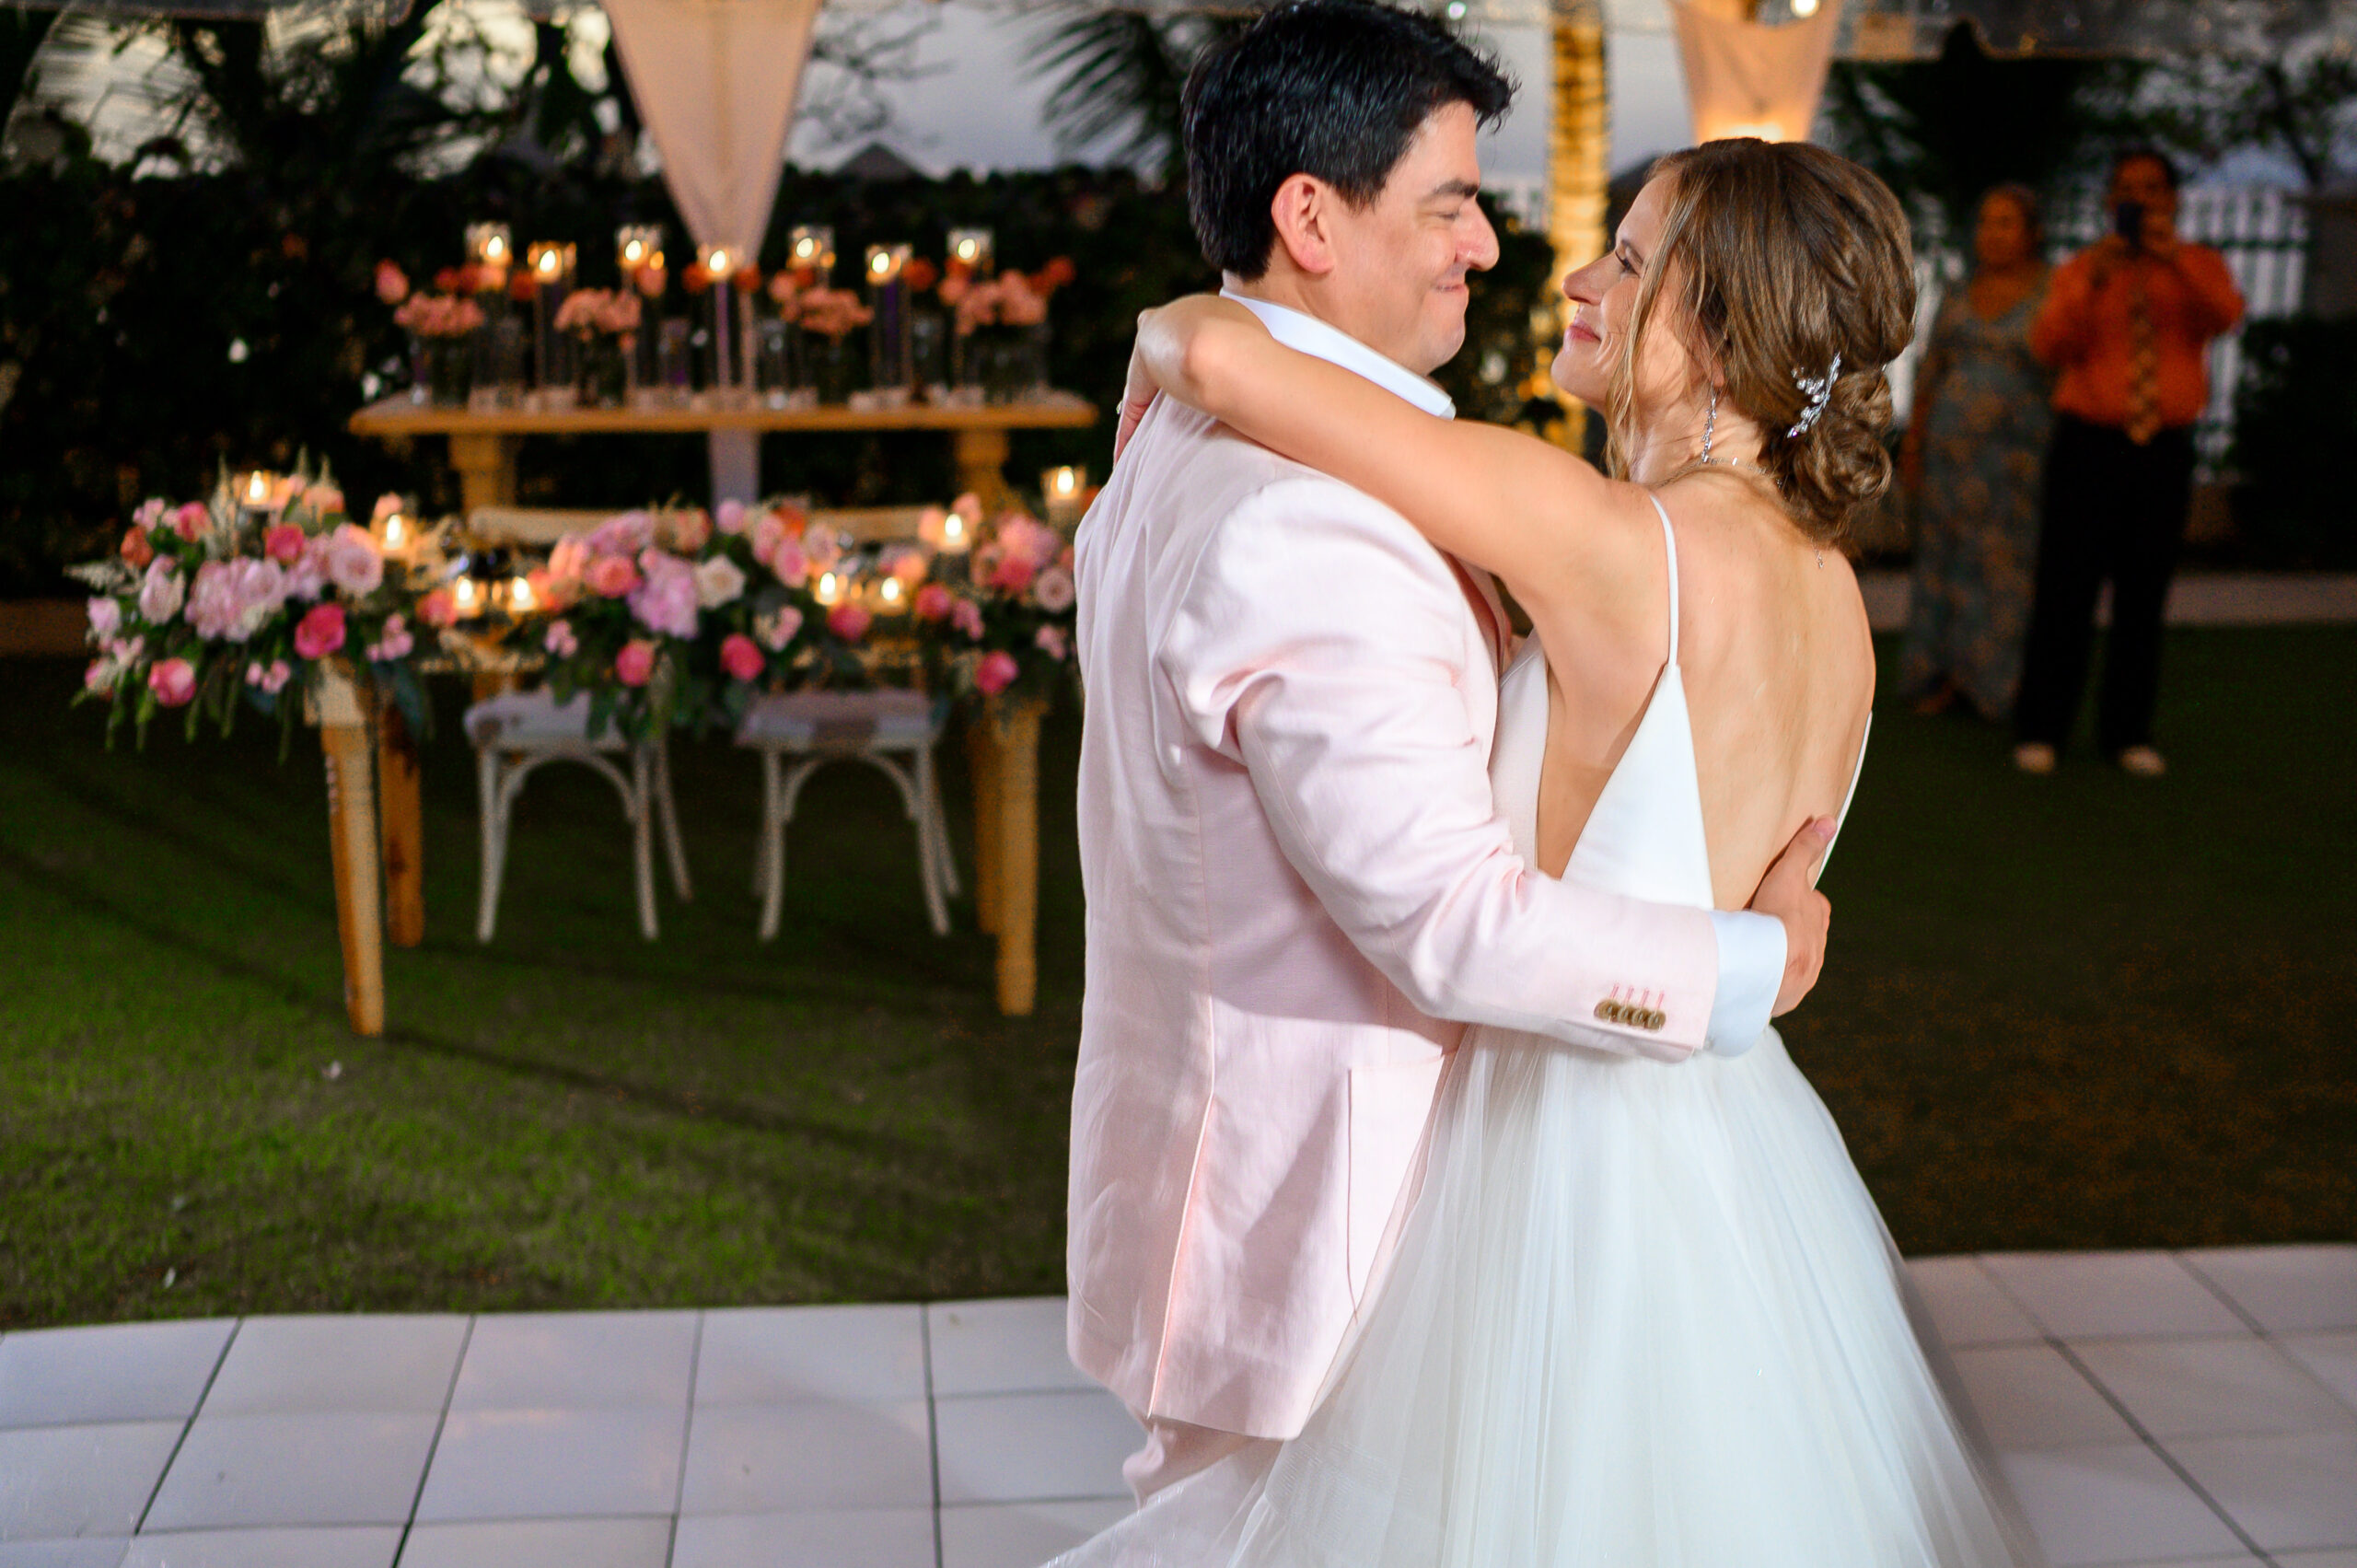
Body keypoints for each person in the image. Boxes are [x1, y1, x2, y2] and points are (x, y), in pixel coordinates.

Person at [1063, 136, 2045, 1566]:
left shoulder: (1606, 541)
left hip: (1555, 1159)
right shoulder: (1835, 598)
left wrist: (1160, 334)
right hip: (1736, 1150)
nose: (1581, 279)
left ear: (1723, 337)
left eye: (1632, 261)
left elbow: (1222, 359)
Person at [2012, 148, 2245, 776]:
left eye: (2151, 188)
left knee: (2145, 593)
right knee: (2065, 590)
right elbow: (2048, 342)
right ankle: (2042, 728)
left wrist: (2173, 260)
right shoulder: (2082, 268)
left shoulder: (2199, 265)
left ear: (2172, 198)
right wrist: (2096, 278)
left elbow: (2225, 315)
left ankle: (2127, 733)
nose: (2139, 199)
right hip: (2088, 445)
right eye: (2126, 189)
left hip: (2163, 450)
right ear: (2109, 201)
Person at [1899, 183, 2054, 720]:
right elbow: (1931, 369)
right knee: (1944, 564)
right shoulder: (1961, 293)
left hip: (2016, 465)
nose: (1992, 233)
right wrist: (1915, 444)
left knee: (2005, 571)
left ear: (2033, 233)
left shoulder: (2054, 293)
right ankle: (1937, 677)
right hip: (1950, 460)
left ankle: (1993, 686)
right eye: (1986, 222)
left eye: (2006, 222)